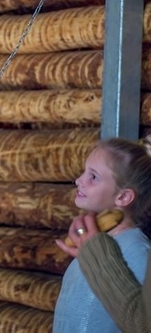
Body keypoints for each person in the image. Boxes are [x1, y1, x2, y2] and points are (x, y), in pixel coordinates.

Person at [52, 138, 151, 333]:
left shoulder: (137, 251)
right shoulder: (89, 245)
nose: (79, 180)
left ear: (123, 197)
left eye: (93, 177)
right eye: (84, 172)